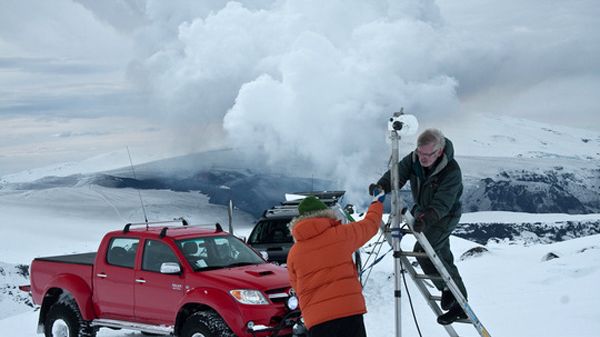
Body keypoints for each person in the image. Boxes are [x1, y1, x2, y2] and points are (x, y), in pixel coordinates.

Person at [369, 128, 468, 325]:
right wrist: (381, 187)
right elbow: (397, 174)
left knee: (424, 251)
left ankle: (455, 300)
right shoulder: (414, 159)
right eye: (420, 153)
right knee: (442, 255)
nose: (422, 158)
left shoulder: (451, 171)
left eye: (427, 154)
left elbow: (442, 204)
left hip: (444, 216)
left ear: (439, 152)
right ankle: (453, 296)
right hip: (423, 212)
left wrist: (426, 218)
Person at [287, 192, 384, 337]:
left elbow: (297, 286)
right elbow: (370, 225)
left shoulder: (294, 253)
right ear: (326, 215)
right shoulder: (342, 235)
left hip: (317, 320)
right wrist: (377, 203)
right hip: (349, 311)